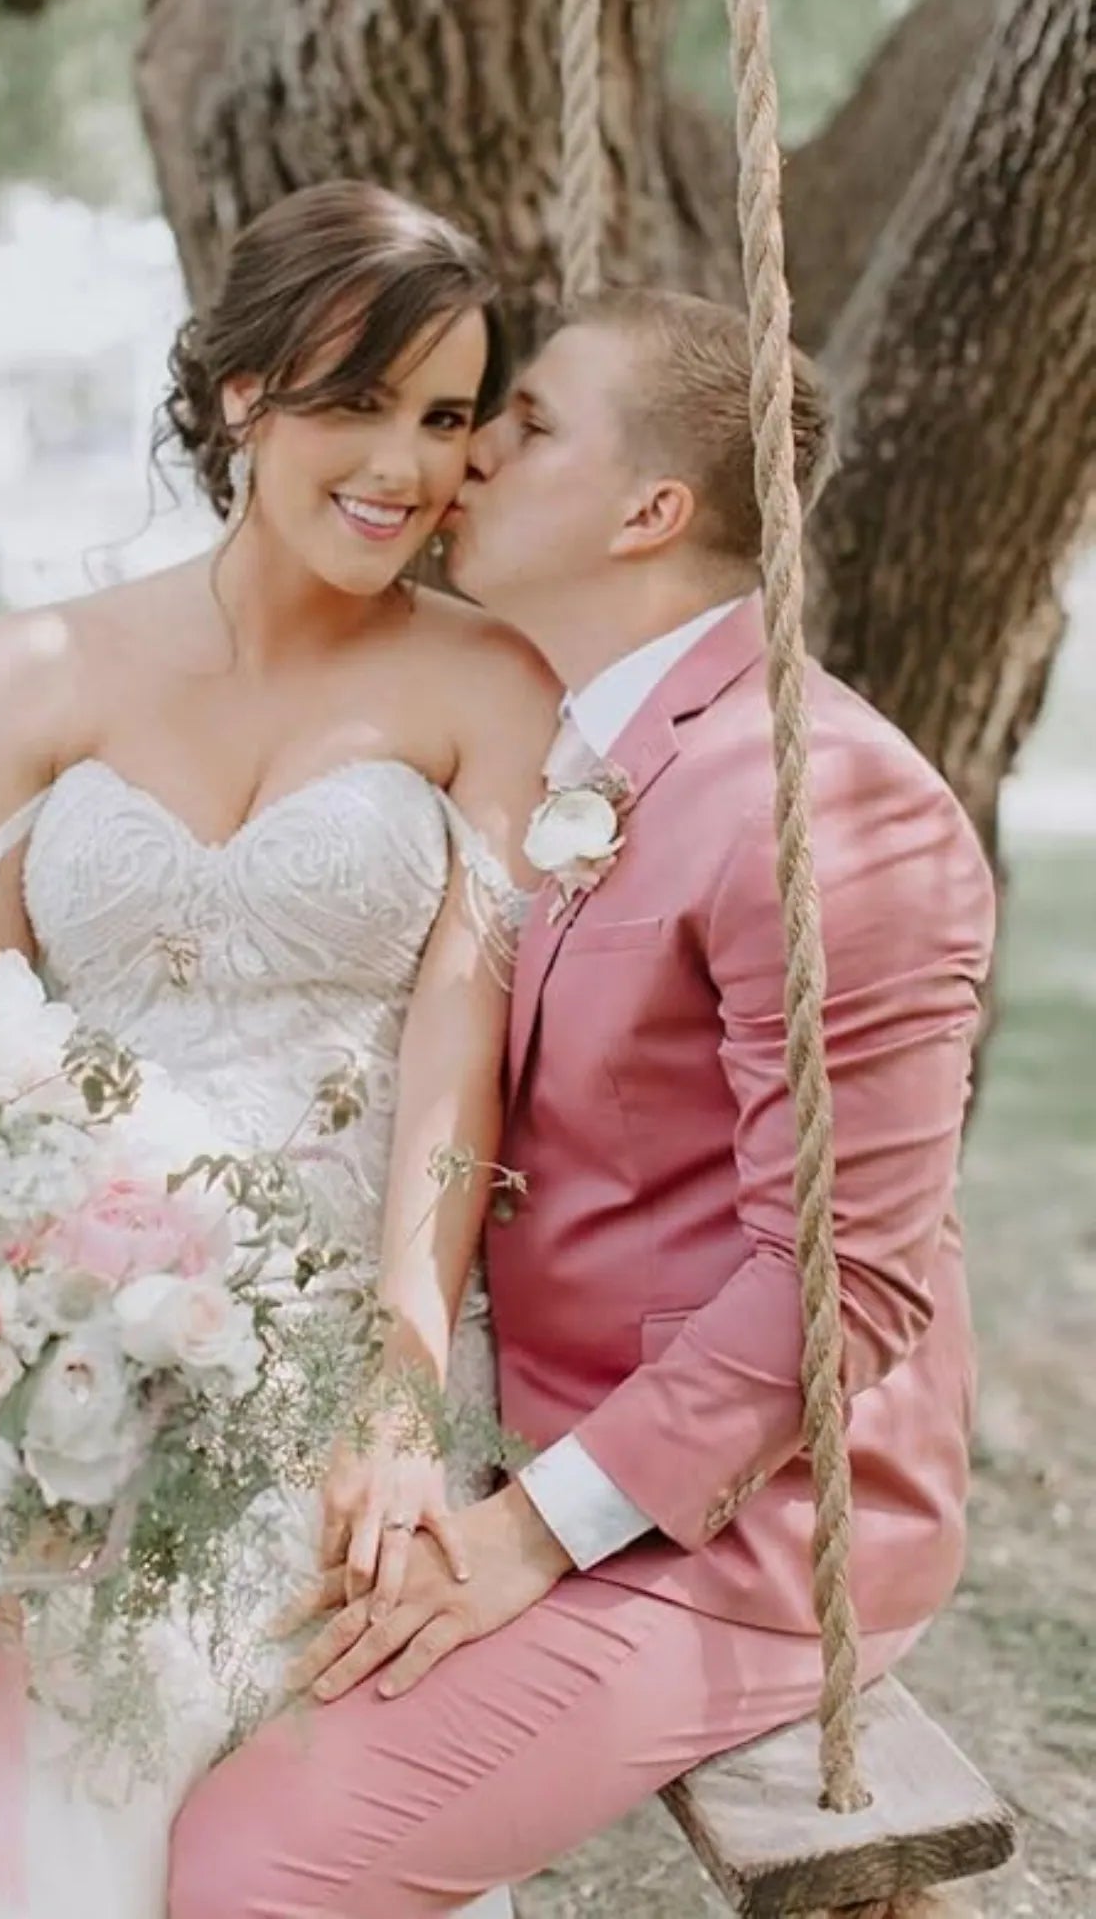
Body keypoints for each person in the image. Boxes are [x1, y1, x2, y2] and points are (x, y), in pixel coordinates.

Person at [0, 182, 556, 1919]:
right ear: (241, 398)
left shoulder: (490, 688)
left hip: (331, 1343)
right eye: (356, 401)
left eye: (446, 417)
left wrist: (398, 1370)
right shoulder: (33, 672)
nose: (407, 464)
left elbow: (464, 1053)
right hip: (53, 1329)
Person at [168, 285, 998, 1917]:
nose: (467, 455)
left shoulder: (829, 803)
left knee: (256, 1865)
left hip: (730, 1542)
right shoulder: (561, 734)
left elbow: (850, 1283)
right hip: (503, 1424)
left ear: (652, 509)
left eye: (526, 424)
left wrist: (531, 1532)